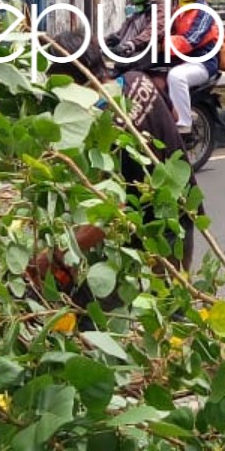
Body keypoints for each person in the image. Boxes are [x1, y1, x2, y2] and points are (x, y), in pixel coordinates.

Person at [35, 30, 197, 279]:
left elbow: (113, 213)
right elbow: (174, 117)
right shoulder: (138, 79)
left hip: (156, 237)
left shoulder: (101, 130)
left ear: (71, 84)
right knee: (175, 306)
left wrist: (54, 257)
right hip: (184, 214)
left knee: (120, 306)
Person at [161, 0, 222, 137]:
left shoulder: (204, 12)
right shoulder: (176, 11)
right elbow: (163, 31)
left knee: (176, 77)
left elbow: (190, 41)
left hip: (202, 64)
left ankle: (184, 124)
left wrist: (162, 44)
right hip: (180, 60)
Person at [105, 0, 163, 68]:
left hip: (146, 60)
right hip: (128, 58)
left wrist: (132, 44)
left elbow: (154, 31)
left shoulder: (160, 8)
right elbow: (123, 33)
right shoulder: (137, 10)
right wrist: (105, 41)